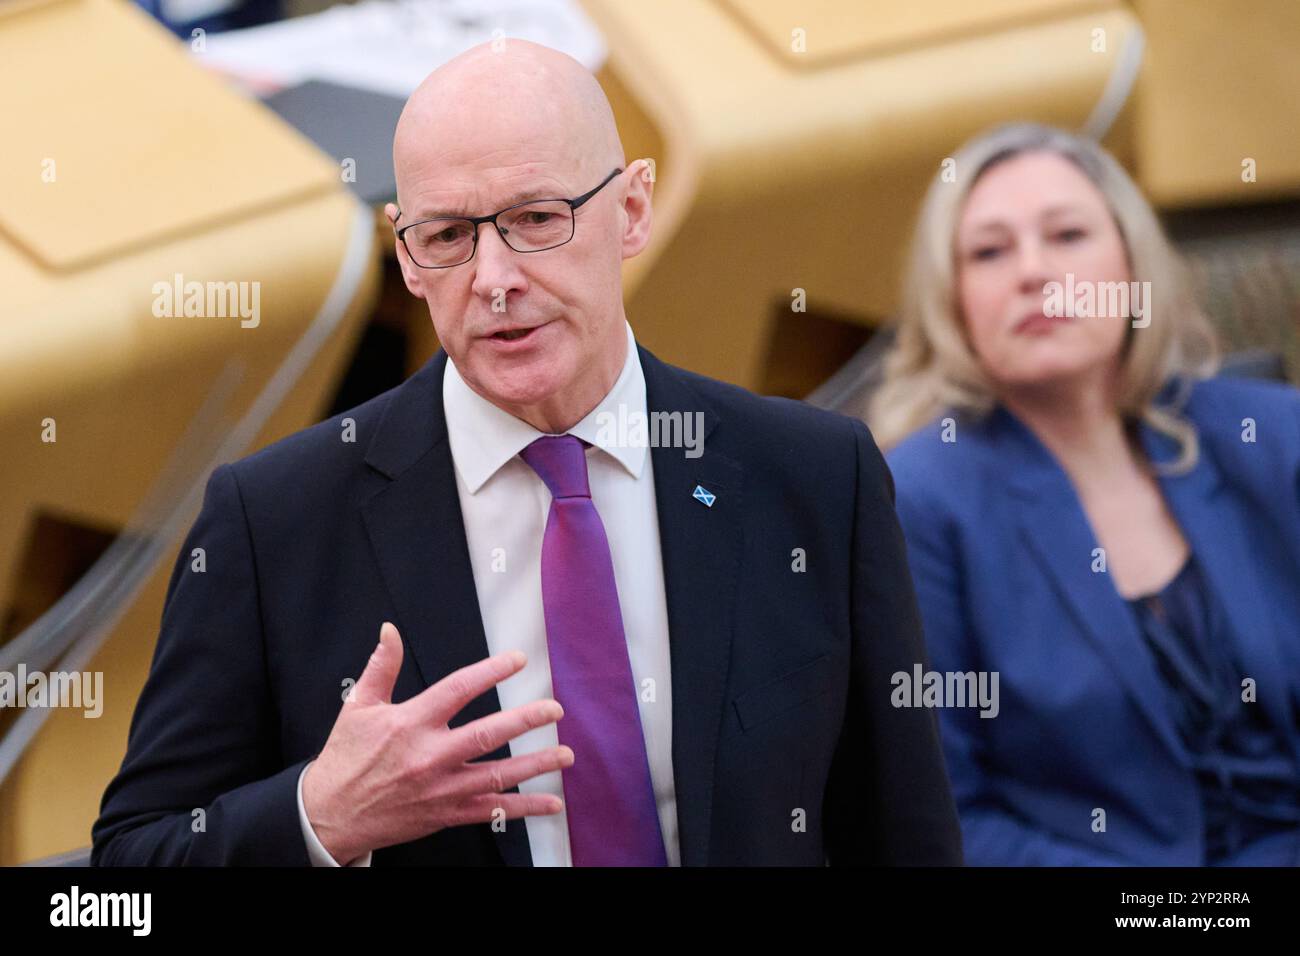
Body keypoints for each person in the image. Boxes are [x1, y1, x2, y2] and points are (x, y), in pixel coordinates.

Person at [91, 40, 961, 866]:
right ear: (406, 255)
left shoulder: (813, 476)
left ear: (632, 210)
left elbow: (903, 835)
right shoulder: (273, 520)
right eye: (448, 238)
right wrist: (322, 816)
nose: (494, 278)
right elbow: (127, 866)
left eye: (536, 218)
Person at [869, 122, 1300, 866]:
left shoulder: (1271, 434)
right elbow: (946, 818)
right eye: (989, 251)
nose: (1034, 272)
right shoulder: (917, 503)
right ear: (954, 299)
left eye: (1067, 235)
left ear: (1133, 265)